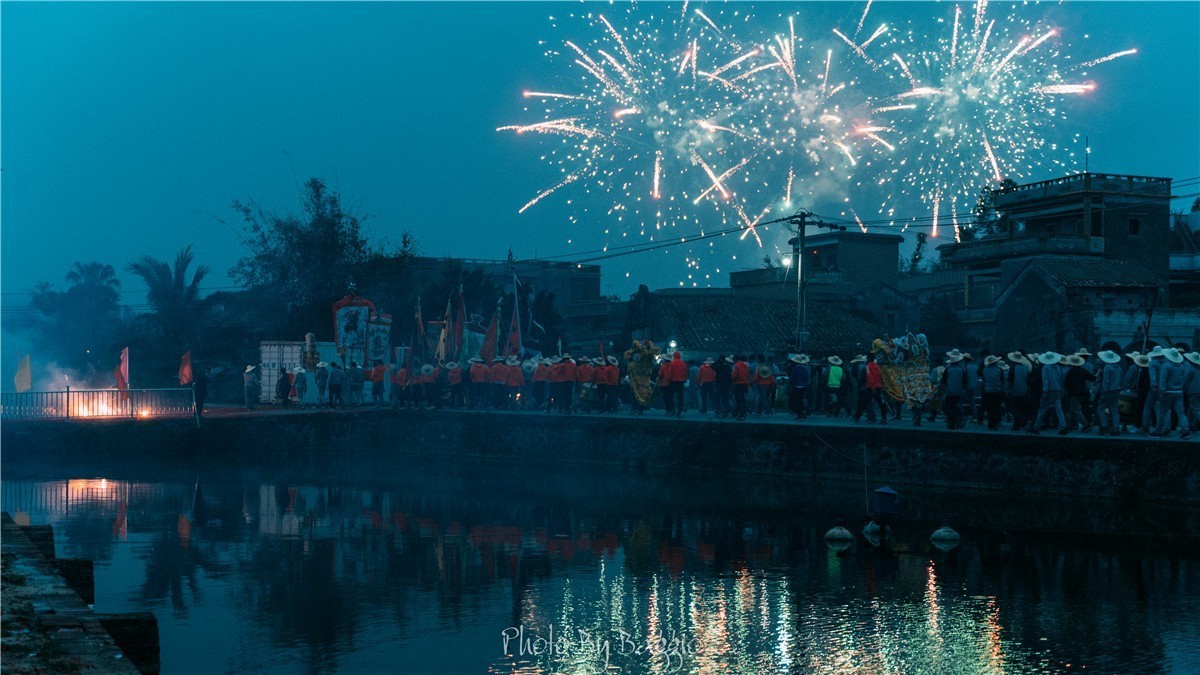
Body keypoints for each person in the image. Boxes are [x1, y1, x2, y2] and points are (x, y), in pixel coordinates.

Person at [1153, 348, 1188, 437]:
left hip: (1168, 392)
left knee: (1162, 412)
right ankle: (1185, 431)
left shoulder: (1166, 365)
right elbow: (1183, 379)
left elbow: (1163, 380)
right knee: (1181, 413)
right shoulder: (1182, 366)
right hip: (1179, 392)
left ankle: (1158, 431)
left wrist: (1161, 391)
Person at [1029, 352, 1067, 435]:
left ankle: (1036, 428)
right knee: (1059, 410)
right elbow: (1060, 379)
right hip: (1057, 390)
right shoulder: (1058, 367)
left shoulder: (1046, 368)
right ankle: (1063, 427)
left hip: (1049, 391)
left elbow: (1046, 380)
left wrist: (1045, 391)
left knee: (1042, 410)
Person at [1095, 350, 1124, 436]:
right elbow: (1122, 379)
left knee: (1100, 409)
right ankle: (1116, 428)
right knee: (1114, 410)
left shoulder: (1107, 367)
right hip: (1117, 391)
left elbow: (1106, 381)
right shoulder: (1119, 368)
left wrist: (1103, 393)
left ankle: (1104, 426)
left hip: (1108, 391)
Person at [1063, 354, 1095, 432]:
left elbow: (1066, 383)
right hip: (1082, 393)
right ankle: (1069, 425)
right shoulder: (1083, 371)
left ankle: (1086, 425)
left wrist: (1066, 391)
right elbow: (1092, 378)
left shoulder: (1070, 371)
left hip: (1073, 393)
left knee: (1076, 410)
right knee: (1072, 409)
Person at [941, 351, 968, 429]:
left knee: (949, 407)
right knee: (955, 406)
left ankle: (952, 421)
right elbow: (965, 381)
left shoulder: (948, 369)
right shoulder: (961, 369)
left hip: (950, 391)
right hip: (959, 391)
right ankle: (958, 419)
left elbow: (944, 380)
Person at [1006, 352, 1031, 432]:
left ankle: (1021, 421)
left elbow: (1010, 380)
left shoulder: (1013, 368)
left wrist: (1009, 390)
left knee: (1014, 408)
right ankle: (1018, 424)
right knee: (1021, 407)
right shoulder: (1025, 367)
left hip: (1015, 390)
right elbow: (1028, 380)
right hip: (1024, 390)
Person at [981, 355, 1006, 430]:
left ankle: (990, 424)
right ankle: (996, 423)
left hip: (987, 392)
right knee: (996, 408)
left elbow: (984, 381)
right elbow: (1003, 381)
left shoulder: (985, 370)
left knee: (989, 409)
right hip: (997, 392)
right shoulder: (999, 370)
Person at [665, 351, 688, 418]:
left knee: (670, 396)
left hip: (673, 381)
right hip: (681, 382)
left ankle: (672, 410)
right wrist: (685, 379)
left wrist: (668, 379)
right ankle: (679, 411)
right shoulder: (683, 363)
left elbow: (670, 372)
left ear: (674, 356)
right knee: (680, 397)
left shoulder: (672, 363)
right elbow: (685, 372)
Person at [788, 354, 810, 420]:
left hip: (797, 386)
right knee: (801, 400)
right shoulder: (805, 369)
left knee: (797, 401)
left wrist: (790, 383)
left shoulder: (795, 369)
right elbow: (806, 378)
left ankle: (800, 414)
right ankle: (802, 413)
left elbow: (793, 378)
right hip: (803, 387)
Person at [1183, 351, 1200, 436]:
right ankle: (1190, 425)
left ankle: (1193, 425)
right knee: (1191, 409)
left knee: (1196, 410)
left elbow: (1185, 380)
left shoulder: (1190, 368)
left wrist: (1183, 388)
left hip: (1192, 391)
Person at [731, 355, 750, 420]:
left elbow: (735, 375)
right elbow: (747, 376)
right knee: (742, 399)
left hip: (738, 384)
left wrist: (731, 375)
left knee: (739, 400)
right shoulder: (746, 366)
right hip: (745, 384)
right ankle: (744, 412)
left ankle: (741, 415)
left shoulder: (737, 365)